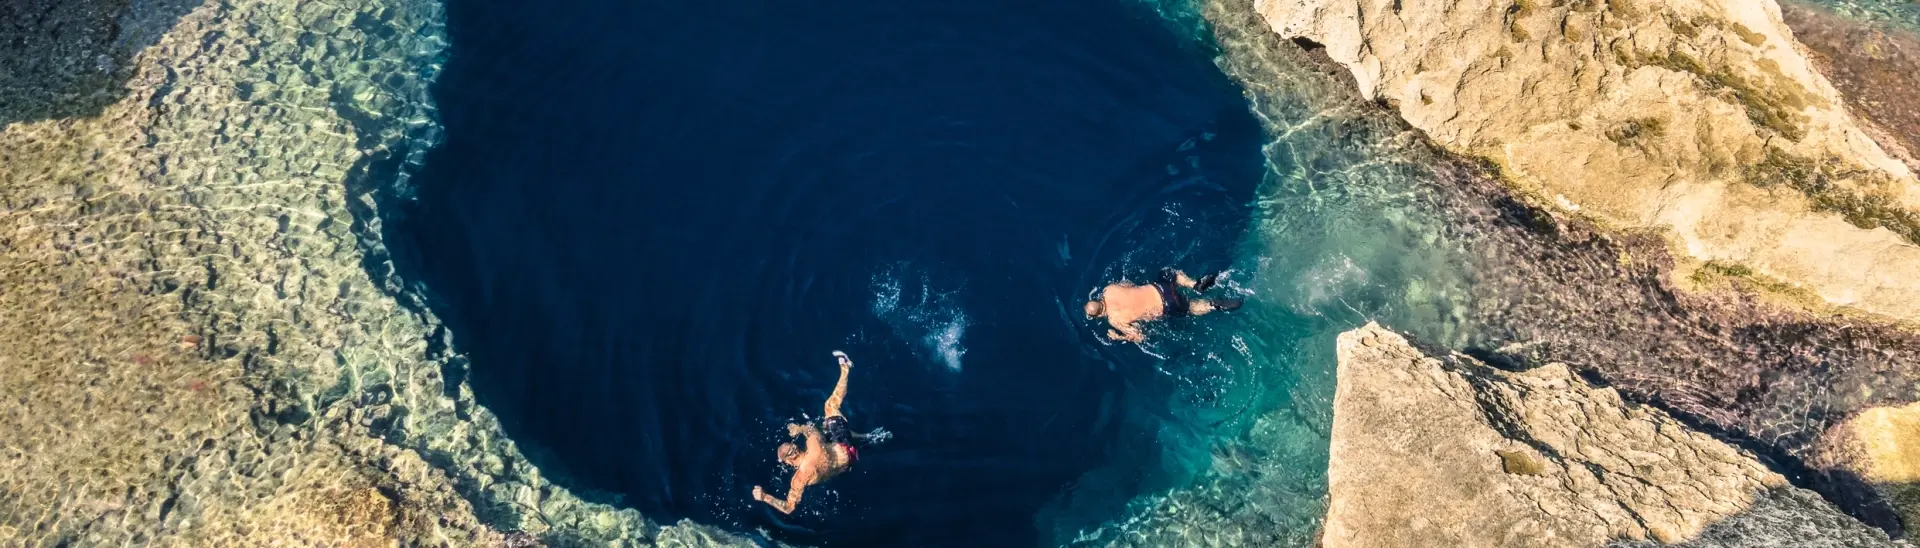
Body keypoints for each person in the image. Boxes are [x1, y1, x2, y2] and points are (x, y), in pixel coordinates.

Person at [752, 350, 889, 514]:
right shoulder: (813, 446)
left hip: (846, 466)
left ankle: (867, 438)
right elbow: (811, 430)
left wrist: (765, 497)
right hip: (844, 447)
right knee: (830, 408)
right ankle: (846, 368)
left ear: (788, 462)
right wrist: (799, 429)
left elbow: (788, 508)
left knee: (829, 432)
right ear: (794, 452)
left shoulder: (799, 479)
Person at [1085, 267, 1242, 343]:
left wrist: (1117, 337)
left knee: (1190, 307)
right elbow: (1129, 284)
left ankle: (1212, 305)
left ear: (1099, 314)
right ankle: (1194, 284)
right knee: (1168, 273)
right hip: (1160, 288)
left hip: (1167, 305)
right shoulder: (1109, 289)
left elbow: (1139, 336)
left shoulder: (1114, 319)